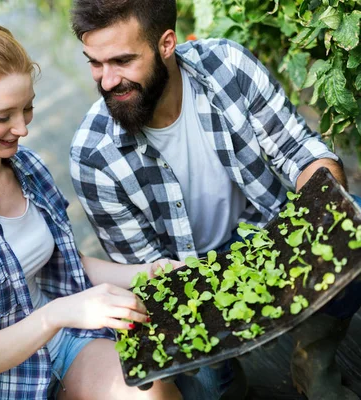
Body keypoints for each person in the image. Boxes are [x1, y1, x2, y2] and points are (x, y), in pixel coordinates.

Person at [68, 1, 361, 399]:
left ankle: (314, 359)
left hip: (267, 237)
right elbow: (143, 273)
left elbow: (302, 152)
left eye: (121, 61)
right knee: (208, 390)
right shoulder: (93, 156)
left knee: (350, 225)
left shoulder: (227, 65)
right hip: (185, 280)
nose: (106, 81)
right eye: (95, 63)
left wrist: (325, 216)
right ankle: (225, 378)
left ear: (167, 43)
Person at [0, 12, 184, 400]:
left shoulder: (26, 167)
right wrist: (61, 312)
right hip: (1, 384)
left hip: (64, 345)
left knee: (154, 393)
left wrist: (149, 272)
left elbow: (66, 261)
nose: (22, 128)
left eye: (27, 109)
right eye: (3, 117)